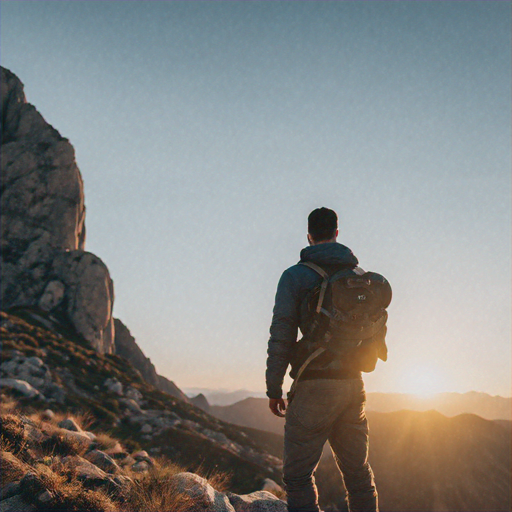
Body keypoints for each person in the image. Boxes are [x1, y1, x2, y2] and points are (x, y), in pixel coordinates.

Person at [266, 207, 380, 512]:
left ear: (308, 236)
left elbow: (282, 334)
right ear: (337, 234)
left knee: (299, 477)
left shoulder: (295, 276)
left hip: (314, 384)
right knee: (359, 475)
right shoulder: (361, 278)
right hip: (353, 385)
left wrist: (273, 388)